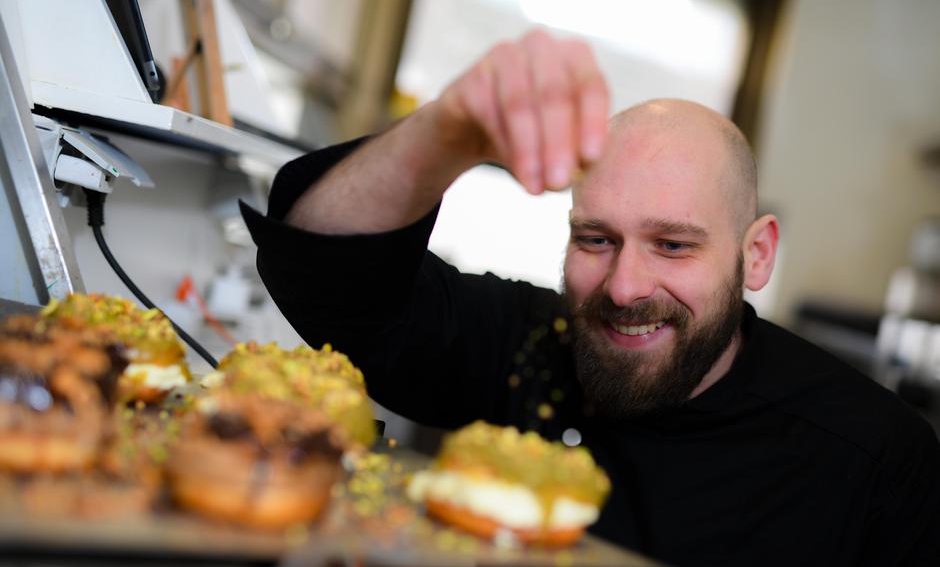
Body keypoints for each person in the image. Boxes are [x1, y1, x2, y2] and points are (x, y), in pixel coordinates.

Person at [241, 30, 940, 566]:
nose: (626, 288)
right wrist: (449, 130)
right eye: (597, 239)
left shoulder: (878, 457)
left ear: (755, 255)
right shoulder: (524, 345)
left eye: (673, 245)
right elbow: (321, 269)